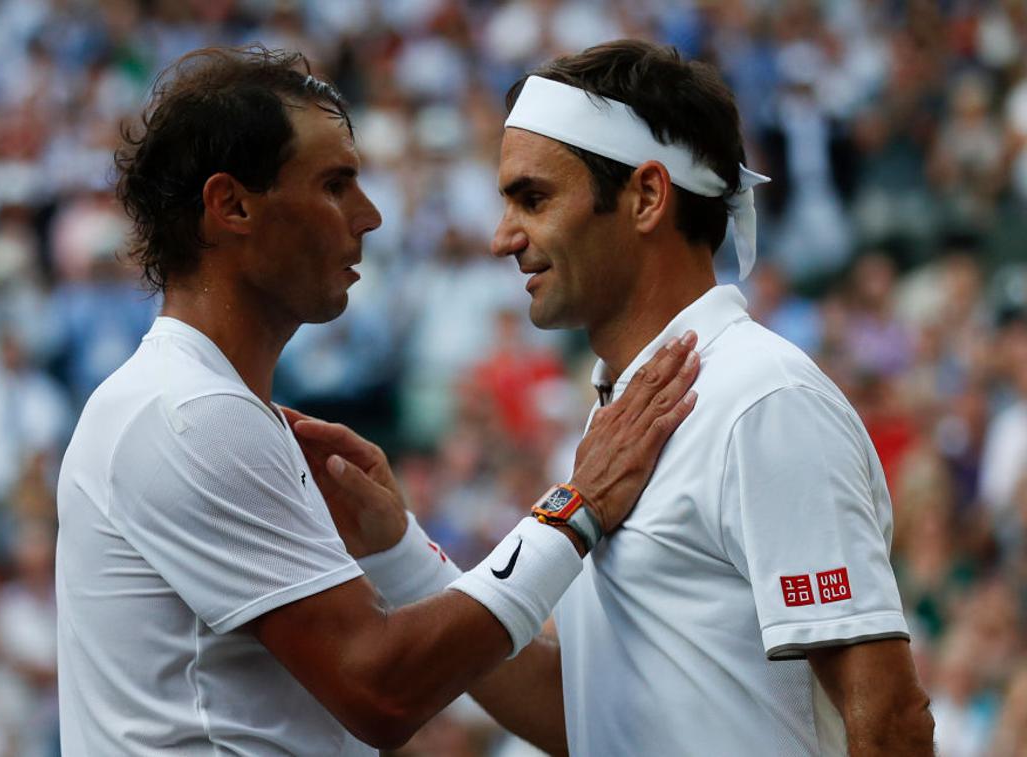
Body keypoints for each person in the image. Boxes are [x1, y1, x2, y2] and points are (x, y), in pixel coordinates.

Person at [293, 40, 936, 755]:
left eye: (532, 198)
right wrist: (403, 551)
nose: (503, 237)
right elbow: (589, 715)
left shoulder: (762, 399)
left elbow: (889, 717)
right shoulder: (628, 412)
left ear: (647, 198)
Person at [54, 46, 701, 755]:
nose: (368, 217)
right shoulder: (189, 413)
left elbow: (560, 713)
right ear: (231, 205)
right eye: (335, 185)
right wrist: (574, 508)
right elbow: (382, 690)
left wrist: (398, 548)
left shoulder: (198, 404)